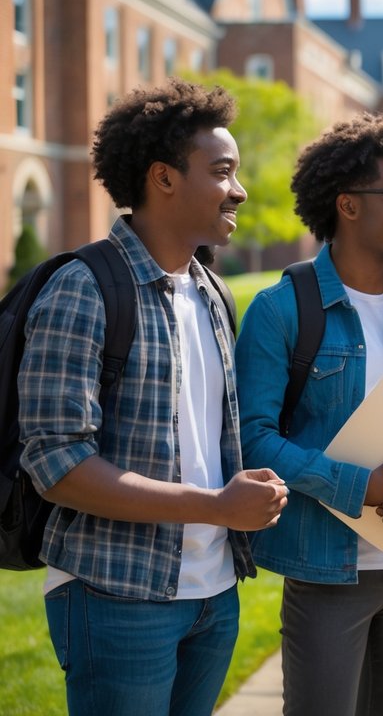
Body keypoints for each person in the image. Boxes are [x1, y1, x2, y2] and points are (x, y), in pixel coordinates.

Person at [18, 79, 288, 716]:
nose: (240, 190)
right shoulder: (84, 288)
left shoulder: (212, 293)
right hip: (116, 594)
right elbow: (57, 464)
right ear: (164, 179)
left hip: (213, 592)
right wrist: (216, 504)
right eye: (222, 172)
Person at [234, 110, 383, 716]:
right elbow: (253, 439)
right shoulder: (280, 310)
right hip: (326, 573)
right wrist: (359, 486)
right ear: (346, 206)